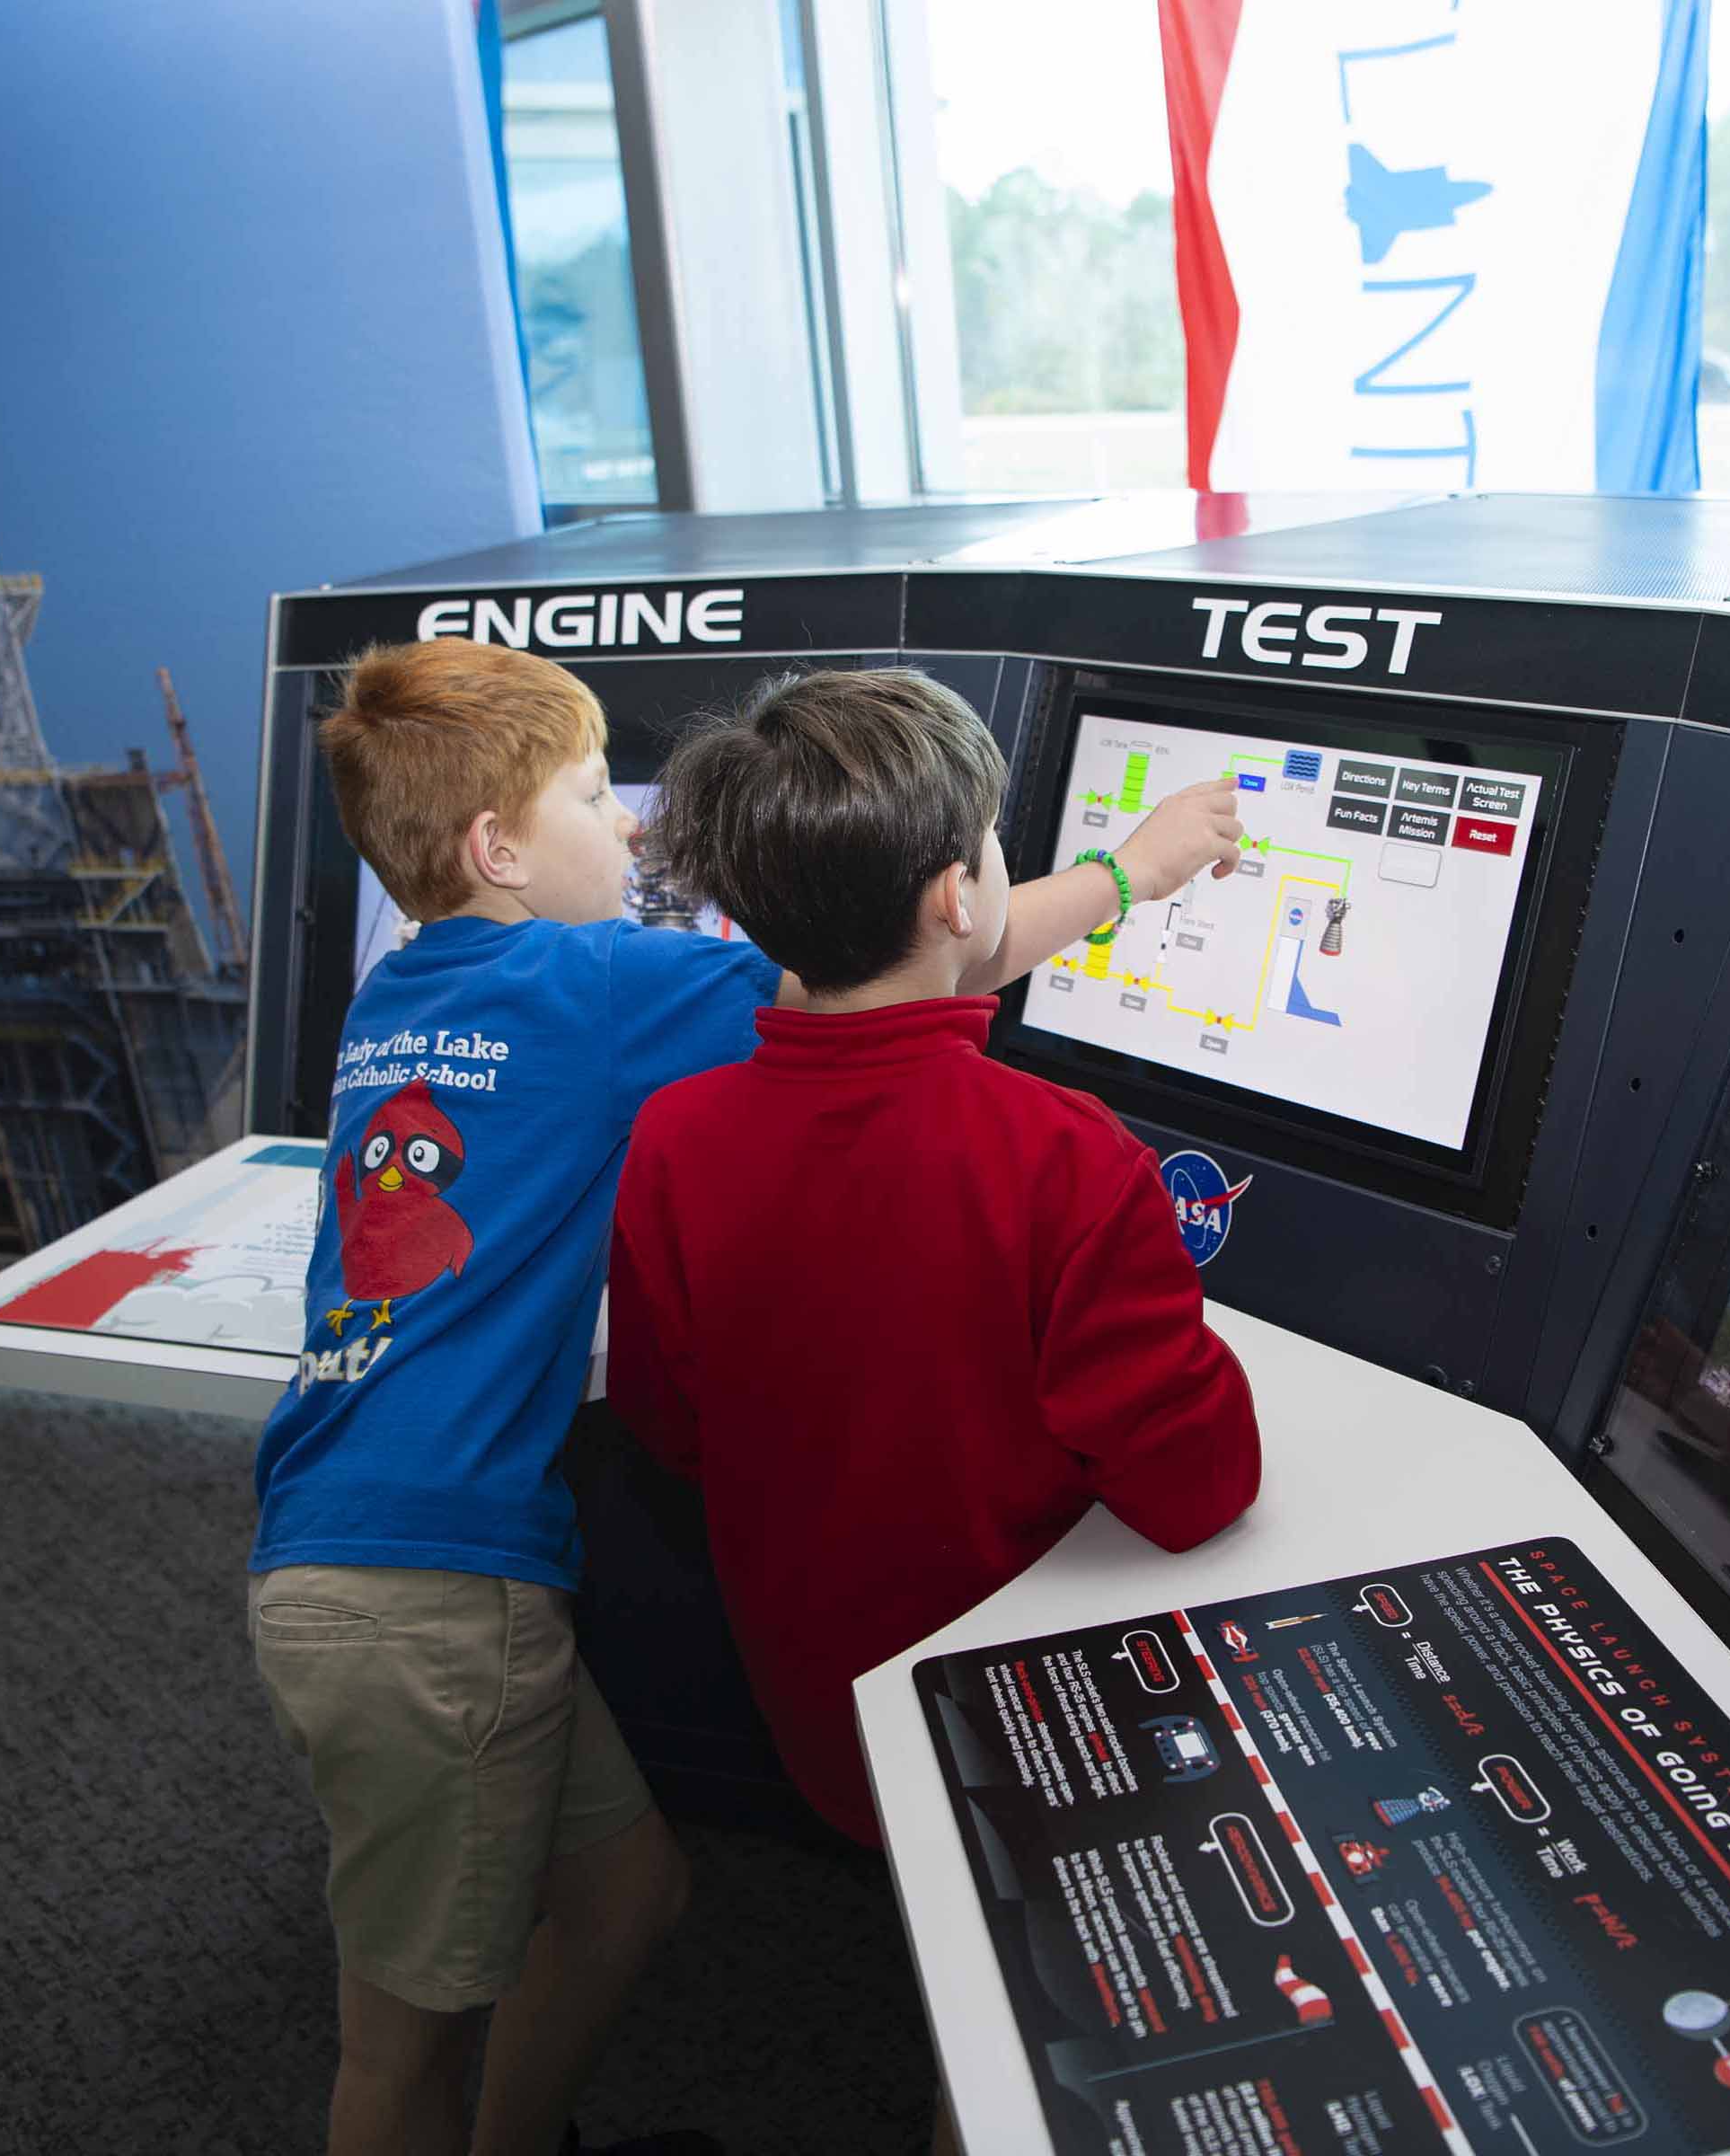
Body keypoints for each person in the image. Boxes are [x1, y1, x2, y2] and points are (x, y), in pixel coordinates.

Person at [246, 641, 1240, 2156]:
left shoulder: (400, 995)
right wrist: (1129, 870)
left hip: (362, 1526)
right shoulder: (600, 985)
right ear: (496, 847)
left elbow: (665, 1398)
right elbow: (895, 972)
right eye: (593, 795)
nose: (630, 826)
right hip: (435, 1590)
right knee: (398, 2048)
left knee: (628, 1891)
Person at [605, 667, 1266, 1858]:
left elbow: (669, 1426)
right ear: (960, 893)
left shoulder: (673, 1136)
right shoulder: (1067, 1158)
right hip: (1020, 1736)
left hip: (817, 1722)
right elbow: (1195, 1489)